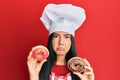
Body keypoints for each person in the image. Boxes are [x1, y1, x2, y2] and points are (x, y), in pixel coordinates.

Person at [27, 3, 94, 80]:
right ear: (51, 39)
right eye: (56, 36)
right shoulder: (38, 67)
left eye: (66, 37)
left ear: (71, 41)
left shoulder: (82, 72)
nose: (61, 42)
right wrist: (33, 76)